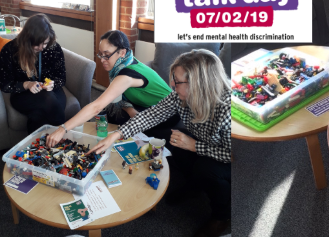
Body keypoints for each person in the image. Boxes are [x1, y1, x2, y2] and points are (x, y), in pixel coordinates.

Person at [88, 49, 231, 237]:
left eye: (177, 81)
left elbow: (233, 154)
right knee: (176, 144)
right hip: (202, 139)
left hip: (228, 155)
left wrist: (194, 146)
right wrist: (117, 134)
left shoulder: (228, 109)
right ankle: (195, 186)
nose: (172, 84)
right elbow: (151, 115)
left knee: (206, 169)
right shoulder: (179, 96)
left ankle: (222, 217)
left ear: (198, 84)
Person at [46, 30, 176, 147]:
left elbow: (96, 107)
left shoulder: (126, 75)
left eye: (106, 55)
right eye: (100, 54)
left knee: (110, 110)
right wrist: (130, 110)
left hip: (168, 112)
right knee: (113, 109)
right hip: (146, 104)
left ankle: (147, 140)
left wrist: (62, 128)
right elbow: (118, 97)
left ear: (122, 52)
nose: (102, 60)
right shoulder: (125, 61)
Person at [0, 14, 66, 134]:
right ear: (26, 40)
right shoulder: (10, 50)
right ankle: (63, 138)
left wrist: (53, 84)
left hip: (52, 91)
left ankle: (33, 149)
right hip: (23, 94)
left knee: (37, 115)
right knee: (48, 100)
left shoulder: (53, 48)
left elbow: (61, 77)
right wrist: (26, 84)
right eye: (36, 45)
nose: (41, 48)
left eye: (44, 43)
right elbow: (5, 85)